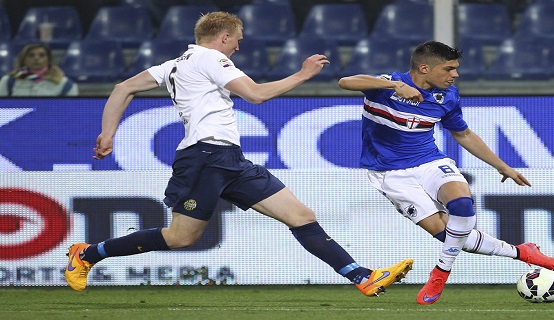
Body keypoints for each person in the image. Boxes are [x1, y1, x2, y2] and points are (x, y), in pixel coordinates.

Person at [64, 11, 412, 296]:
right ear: (225, 37)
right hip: (203, 158)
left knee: (301, 216)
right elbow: (256, 95)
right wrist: (302, 74)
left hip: (230, 159)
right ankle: (87, 254)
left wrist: (108, 133)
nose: (237, 50)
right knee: (180, 238)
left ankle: (363, 277)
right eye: (237, 42)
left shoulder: (171, 65)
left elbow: (122, 88)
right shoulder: (210, 57)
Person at [337, 40, 554, 305]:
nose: (454, 74)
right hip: (389, 174)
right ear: (424, 68)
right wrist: (394, 86)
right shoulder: (387, 85)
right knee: (453, 237)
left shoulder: (448, 96)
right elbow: (345, 81)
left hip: (429, 162)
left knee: (460, 203)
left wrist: (502, 166)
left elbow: (463, 133)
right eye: (449, 69)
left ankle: (441, 272)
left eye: (455, 68)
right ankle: (522, 252)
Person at [0, 43, 78, 97]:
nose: (36, 58)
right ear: (23, 59)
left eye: (42, 55)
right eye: (31, 55)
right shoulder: (8, 82)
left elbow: (70, 116)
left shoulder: (65, 85)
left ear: (48, 59)